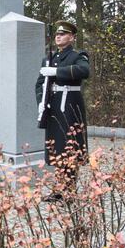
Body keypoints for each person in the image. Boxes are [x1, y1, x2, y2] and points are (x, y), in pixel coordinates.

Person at [35, 20, 90, 201]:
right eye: (57, 34)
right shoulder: (49, 58)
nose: (59, 36)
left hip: (70, 106)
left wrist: (57, 73)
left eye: (64, 34)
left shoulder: (77, 55)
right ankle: (59, 189)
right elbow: (40, 83)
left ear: (72, 37)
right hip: (53, 106)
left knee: (70, 146)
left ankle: (69, 191)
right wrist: (40, 103)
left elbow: (84, 70)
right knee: (57, 147)